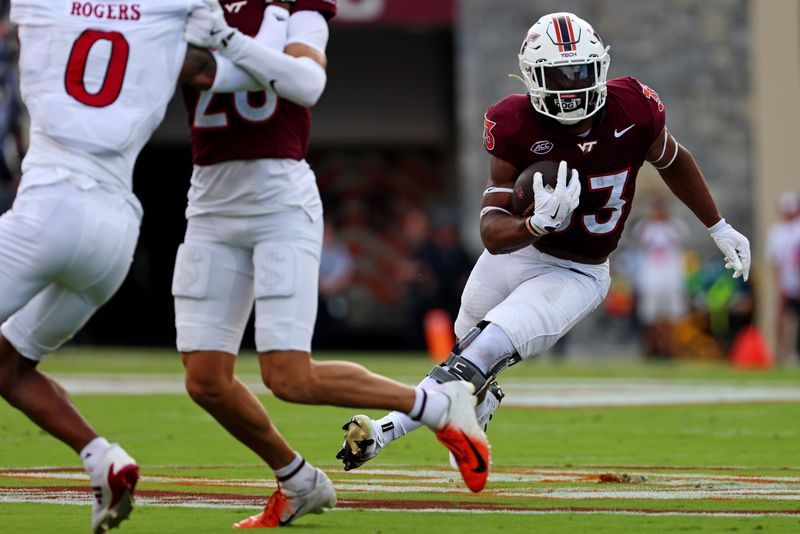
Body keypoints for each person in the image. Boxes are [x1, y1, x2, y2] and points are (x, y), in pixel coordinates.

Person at [338, 11, 751, 470]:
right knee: (465, 343)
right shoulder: (514, 122)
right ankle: (480, 405)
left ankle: (383, 431)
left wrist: (718, 225)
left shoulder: (634, 108)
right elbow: (492, 234)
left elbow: (673, 159)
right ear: (534, 77)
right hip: (522, 251)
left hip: (576, 271)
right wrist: (533, 226)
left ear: (601, 67)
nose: (572, 87)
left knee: (485, 347)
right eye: (560, 75)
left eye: (581, 72)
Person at [175, 0, 490, 527]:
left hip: (278, 197)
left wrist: (225, 41)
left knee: (290, 377)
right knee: (204, 379)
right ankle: (298, 481)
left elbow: (305, 83)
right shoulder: (190, 6)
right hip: (208, 199)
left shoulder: (290, 7)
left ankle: (438, 406)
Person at [0, 1, 228, 532]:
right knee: (8, 364)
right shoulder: (166, 16)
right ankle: (102, 458)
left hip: (49, 206)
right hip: (116, 231)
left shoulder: (47, 10)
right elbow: (205, 61)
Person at [631, 197, 690, 357]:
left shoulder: (676, 226)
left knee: (672, 316)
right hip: (650, 279)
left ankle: (671, 349)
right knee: (650, 317)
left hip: (671, 279)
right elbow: (639, 240)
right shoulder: (645, 227)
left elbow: (680, 239)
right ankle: (652, 350)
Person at [767, 192, 800, 363]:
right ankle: (782, 353)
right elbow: (775, 261)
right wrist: (779, 285)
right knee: (781, 318)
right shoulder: (776, 231)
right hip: (786, 282)